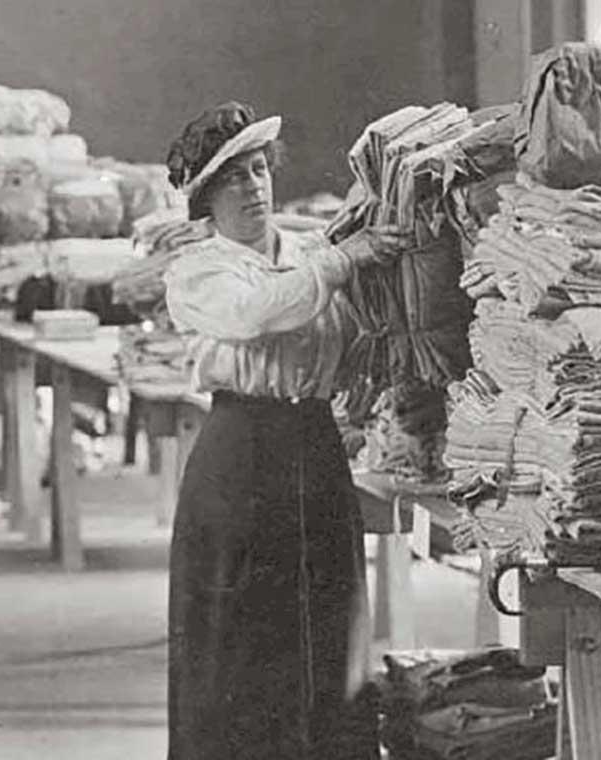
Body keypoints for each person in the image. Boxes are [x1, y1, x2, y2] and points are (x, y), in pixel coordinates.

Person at [158, 103, 400, 759]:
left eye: (260, 171)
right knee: (242, 639)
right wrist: (343, 264)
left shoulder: (309, 253)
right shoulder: (201, 270)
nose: (253, 187)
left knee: (328, 627)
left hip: (315, 450)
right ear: (206, 199)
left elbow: (348, 340)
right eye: (233, 178)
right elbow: (257, 313)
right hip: (240, 456)